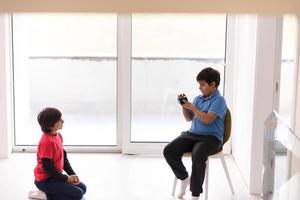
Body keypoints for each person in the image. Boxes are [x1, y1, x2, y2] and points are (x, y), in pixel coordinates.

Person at [163, 67, 227, 200]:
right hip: (192, 134)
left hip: (211, 138)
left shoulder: (219, 101)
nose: (200, 88)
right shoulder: (198, 98)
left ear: (213, 84)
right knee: (169, 150)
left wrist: (192, 107)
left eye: (203, 85)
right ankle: (185, 178)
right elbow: (189, 119)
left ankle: (195, 195)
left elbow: (208, 120)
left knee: (198, 156)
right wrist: (185, 106)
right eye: (199, 84)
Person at [29, 107, 86, 200]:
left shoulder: (58, 136)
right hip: (45, 181)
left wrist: (72, 174)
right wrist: (66, 179)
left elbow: (64, 158)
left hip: (55, 177)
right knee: (78, 194)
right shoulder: (46, 142)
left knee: (83, 188)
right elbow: (48, 168)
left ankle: (50, 192)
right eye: (59, 120)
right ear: (51, 125)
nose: (63, 121)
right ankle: (44, 195)